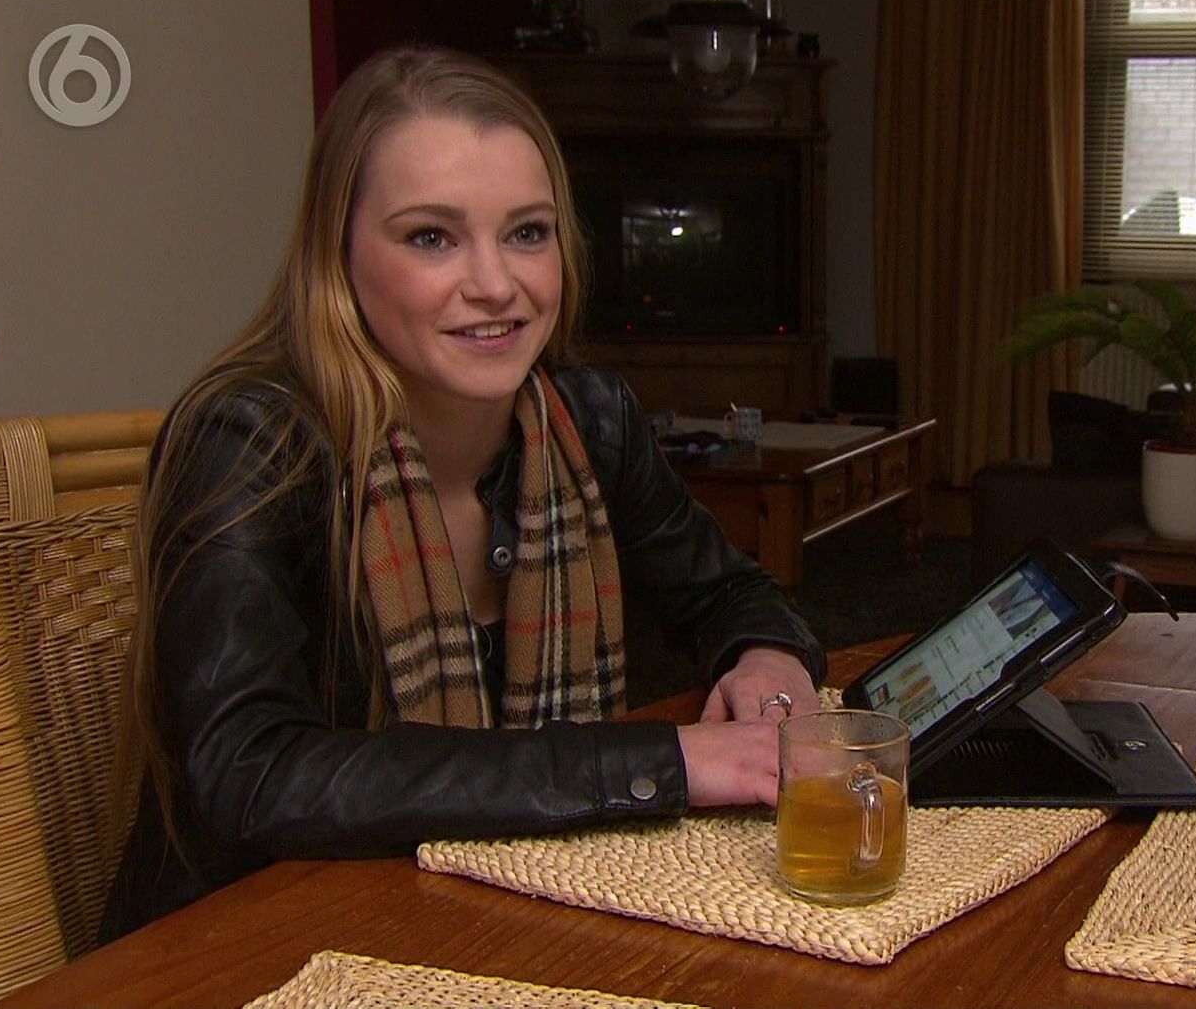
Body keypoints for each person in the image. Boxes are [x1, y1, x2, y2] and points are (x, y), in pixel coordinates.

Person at [100, 46, 823, 939]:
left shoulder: (589, 423)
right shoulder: (251, 444)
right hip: (245, 943)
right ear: (338, 255)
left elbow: (728, 593)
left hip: (496, 915)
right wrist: (660, 762)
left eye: (527, 233)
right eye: (431, 238)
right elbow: (251, 775)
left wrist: (766, 657)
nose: (495, 285)